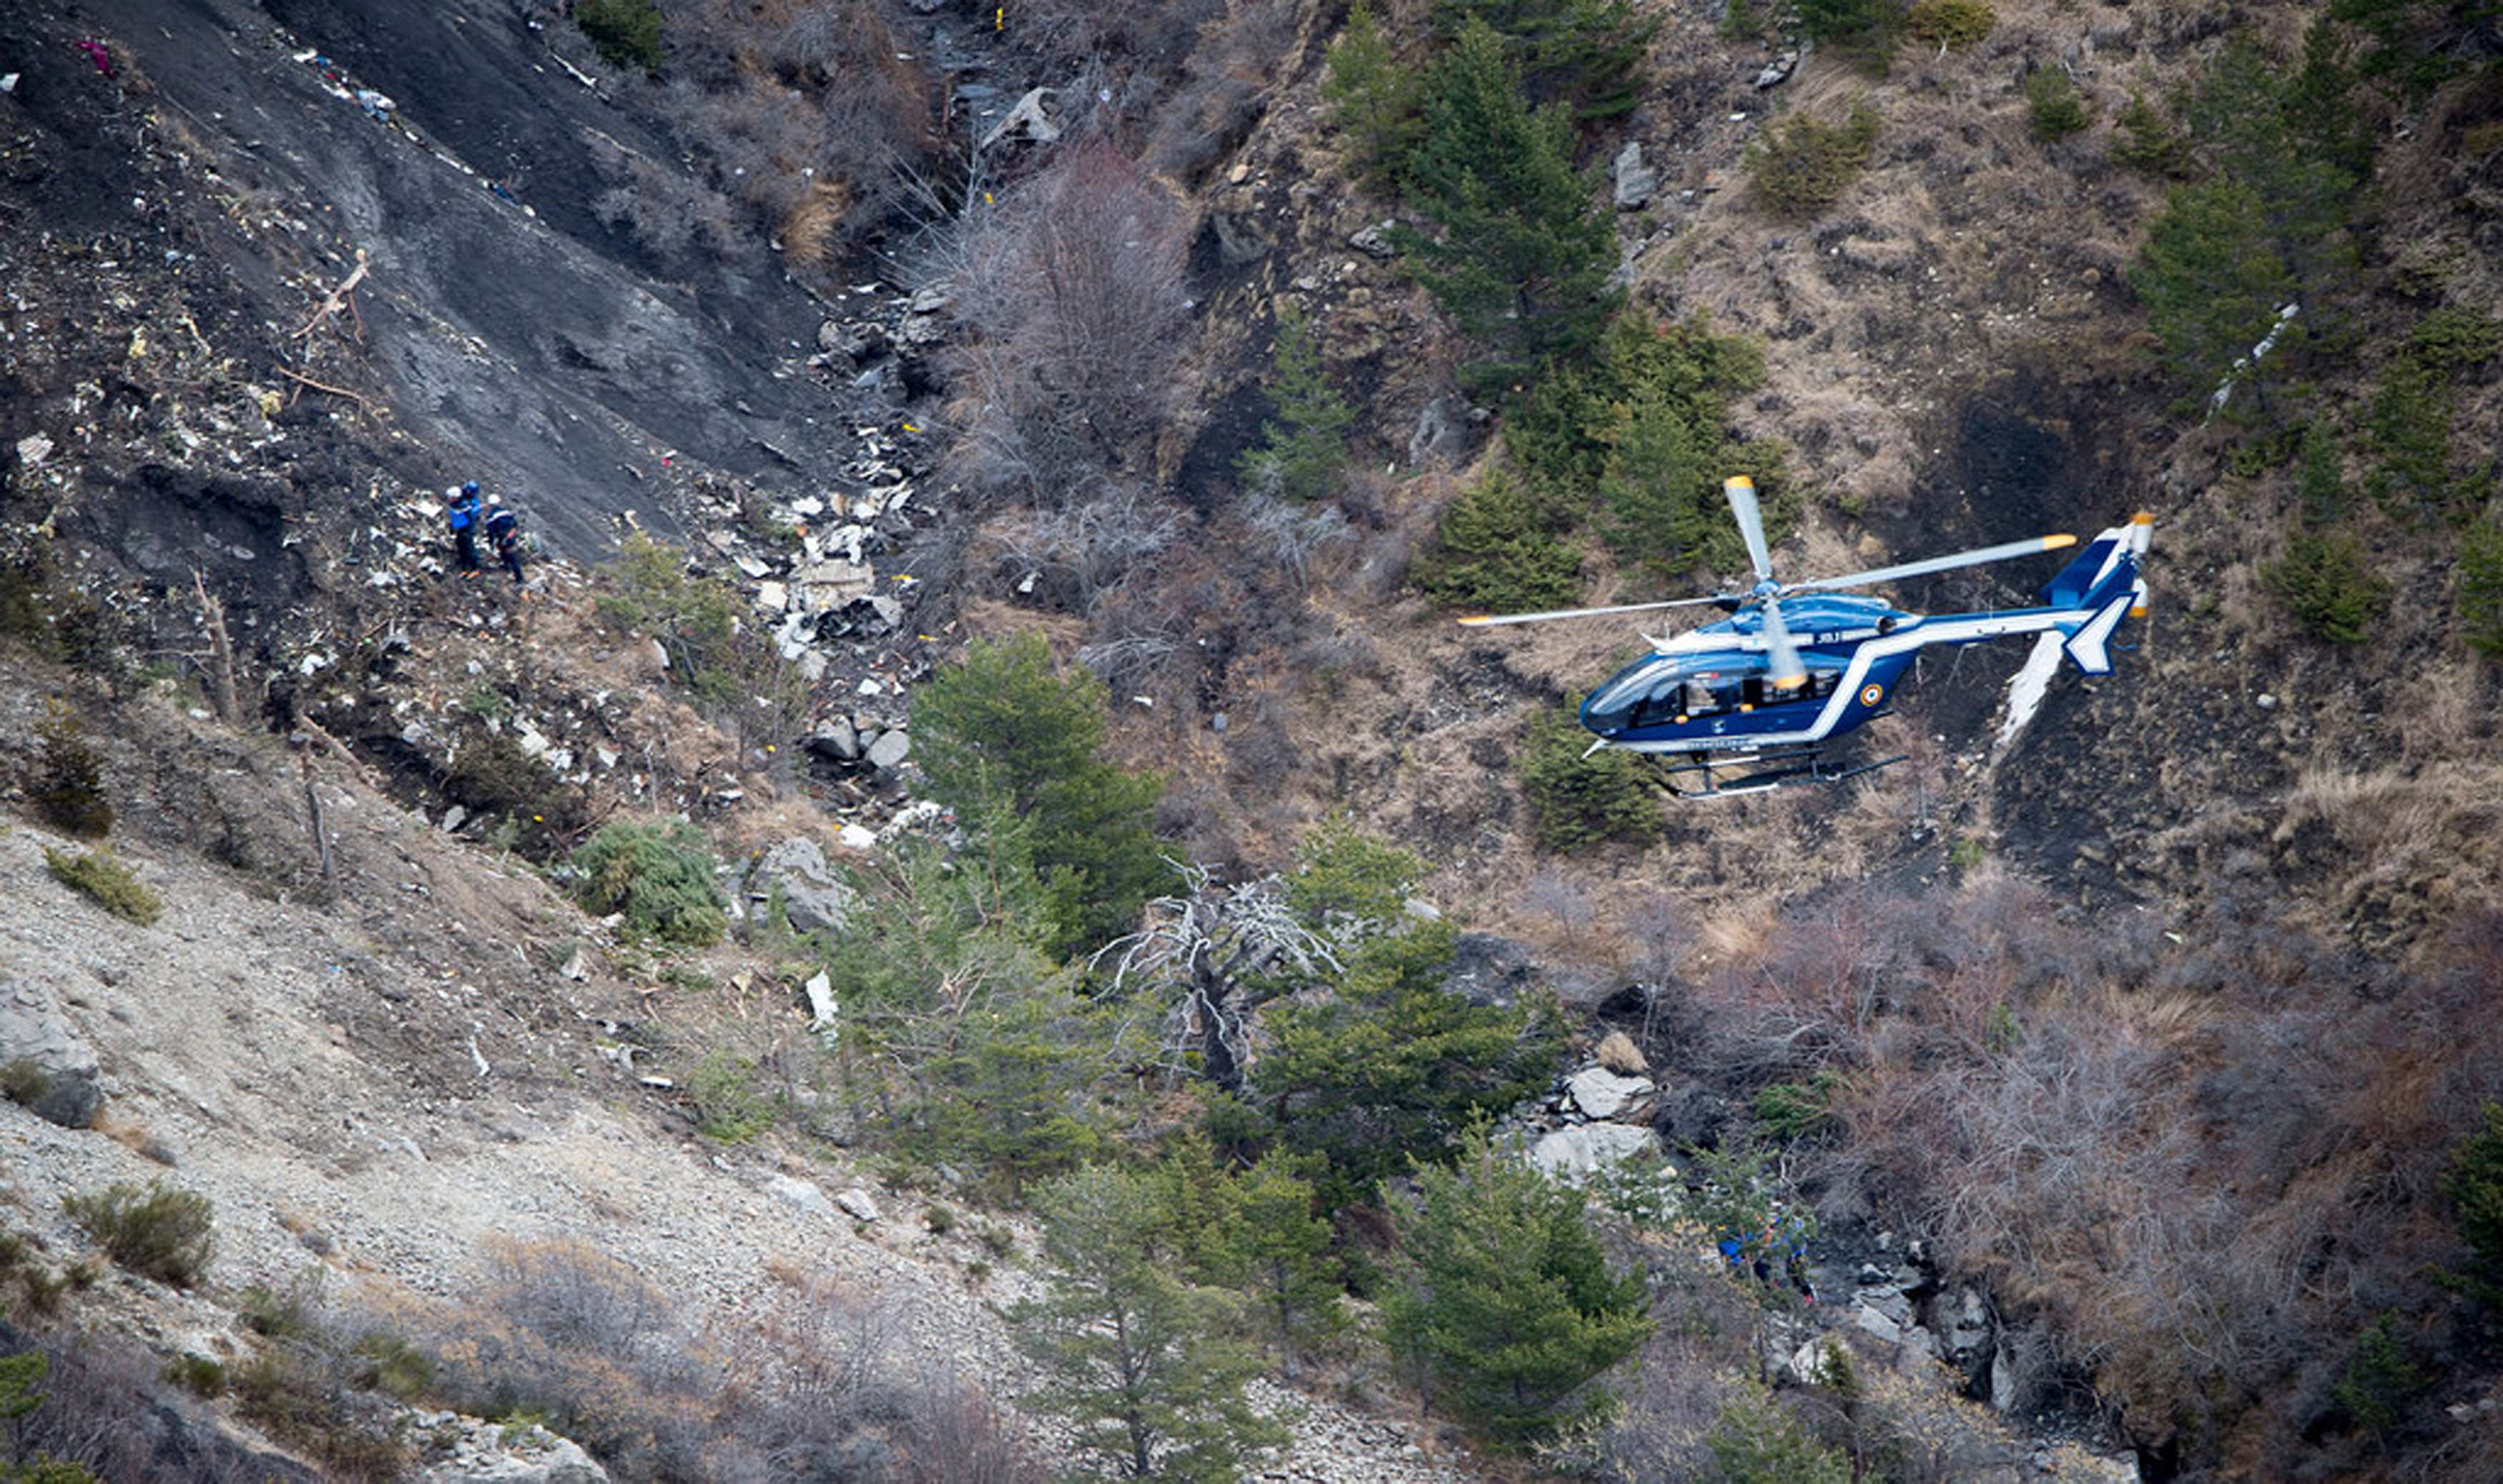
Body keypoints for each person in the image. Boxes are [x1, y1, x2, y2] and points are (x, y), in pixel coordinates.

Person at [483, 494, 526, 587]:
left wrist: (491, 544)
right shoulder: (506, 512)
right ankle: (506, 565)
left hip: (503, 537)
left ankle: (520, 580)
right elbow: (515, 523)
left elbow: (491, 532)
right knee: (505, 552)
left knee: (512, 558)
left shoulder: (491, 517)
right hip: (510, 536)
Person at [446, 482, 482, 575]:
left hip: (466, 530)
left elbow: (471, 518)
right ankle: (465, 568)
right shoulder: (457, 505)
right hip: (460, 529)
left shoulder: (466, 506)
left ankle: (475, 568)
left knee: (469, 548)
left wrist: (469, 530)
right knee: (461, 547)